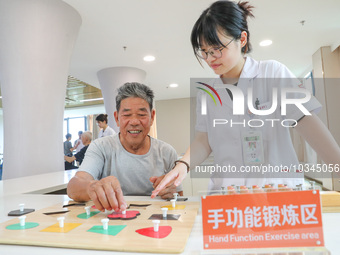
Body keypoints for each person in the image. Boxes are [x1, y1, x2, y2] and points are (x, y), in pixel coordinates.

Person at [152, 0, 340, 197]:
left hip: (277, 192)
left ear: (242, 39)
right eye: (204, 51)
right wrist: (182, 165)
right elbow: (203, 139)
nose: (210, 58)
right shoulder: (207, 92)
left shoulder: (272, 73)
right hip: (227, 196)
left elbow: (307, 124)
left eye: (216, 48)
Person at [67, 82, 183, 212]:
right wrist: (93, 187)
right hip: (112, 221)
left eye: (141, 115)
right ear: (116, 118)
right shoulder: (101, 147)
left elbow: (179, 196)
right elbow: (74, 187)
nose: (134, 122)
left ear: (152, 117)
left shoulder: (167, 152)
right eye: (127, 115)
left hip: (156, 221)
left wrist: (171, 192)